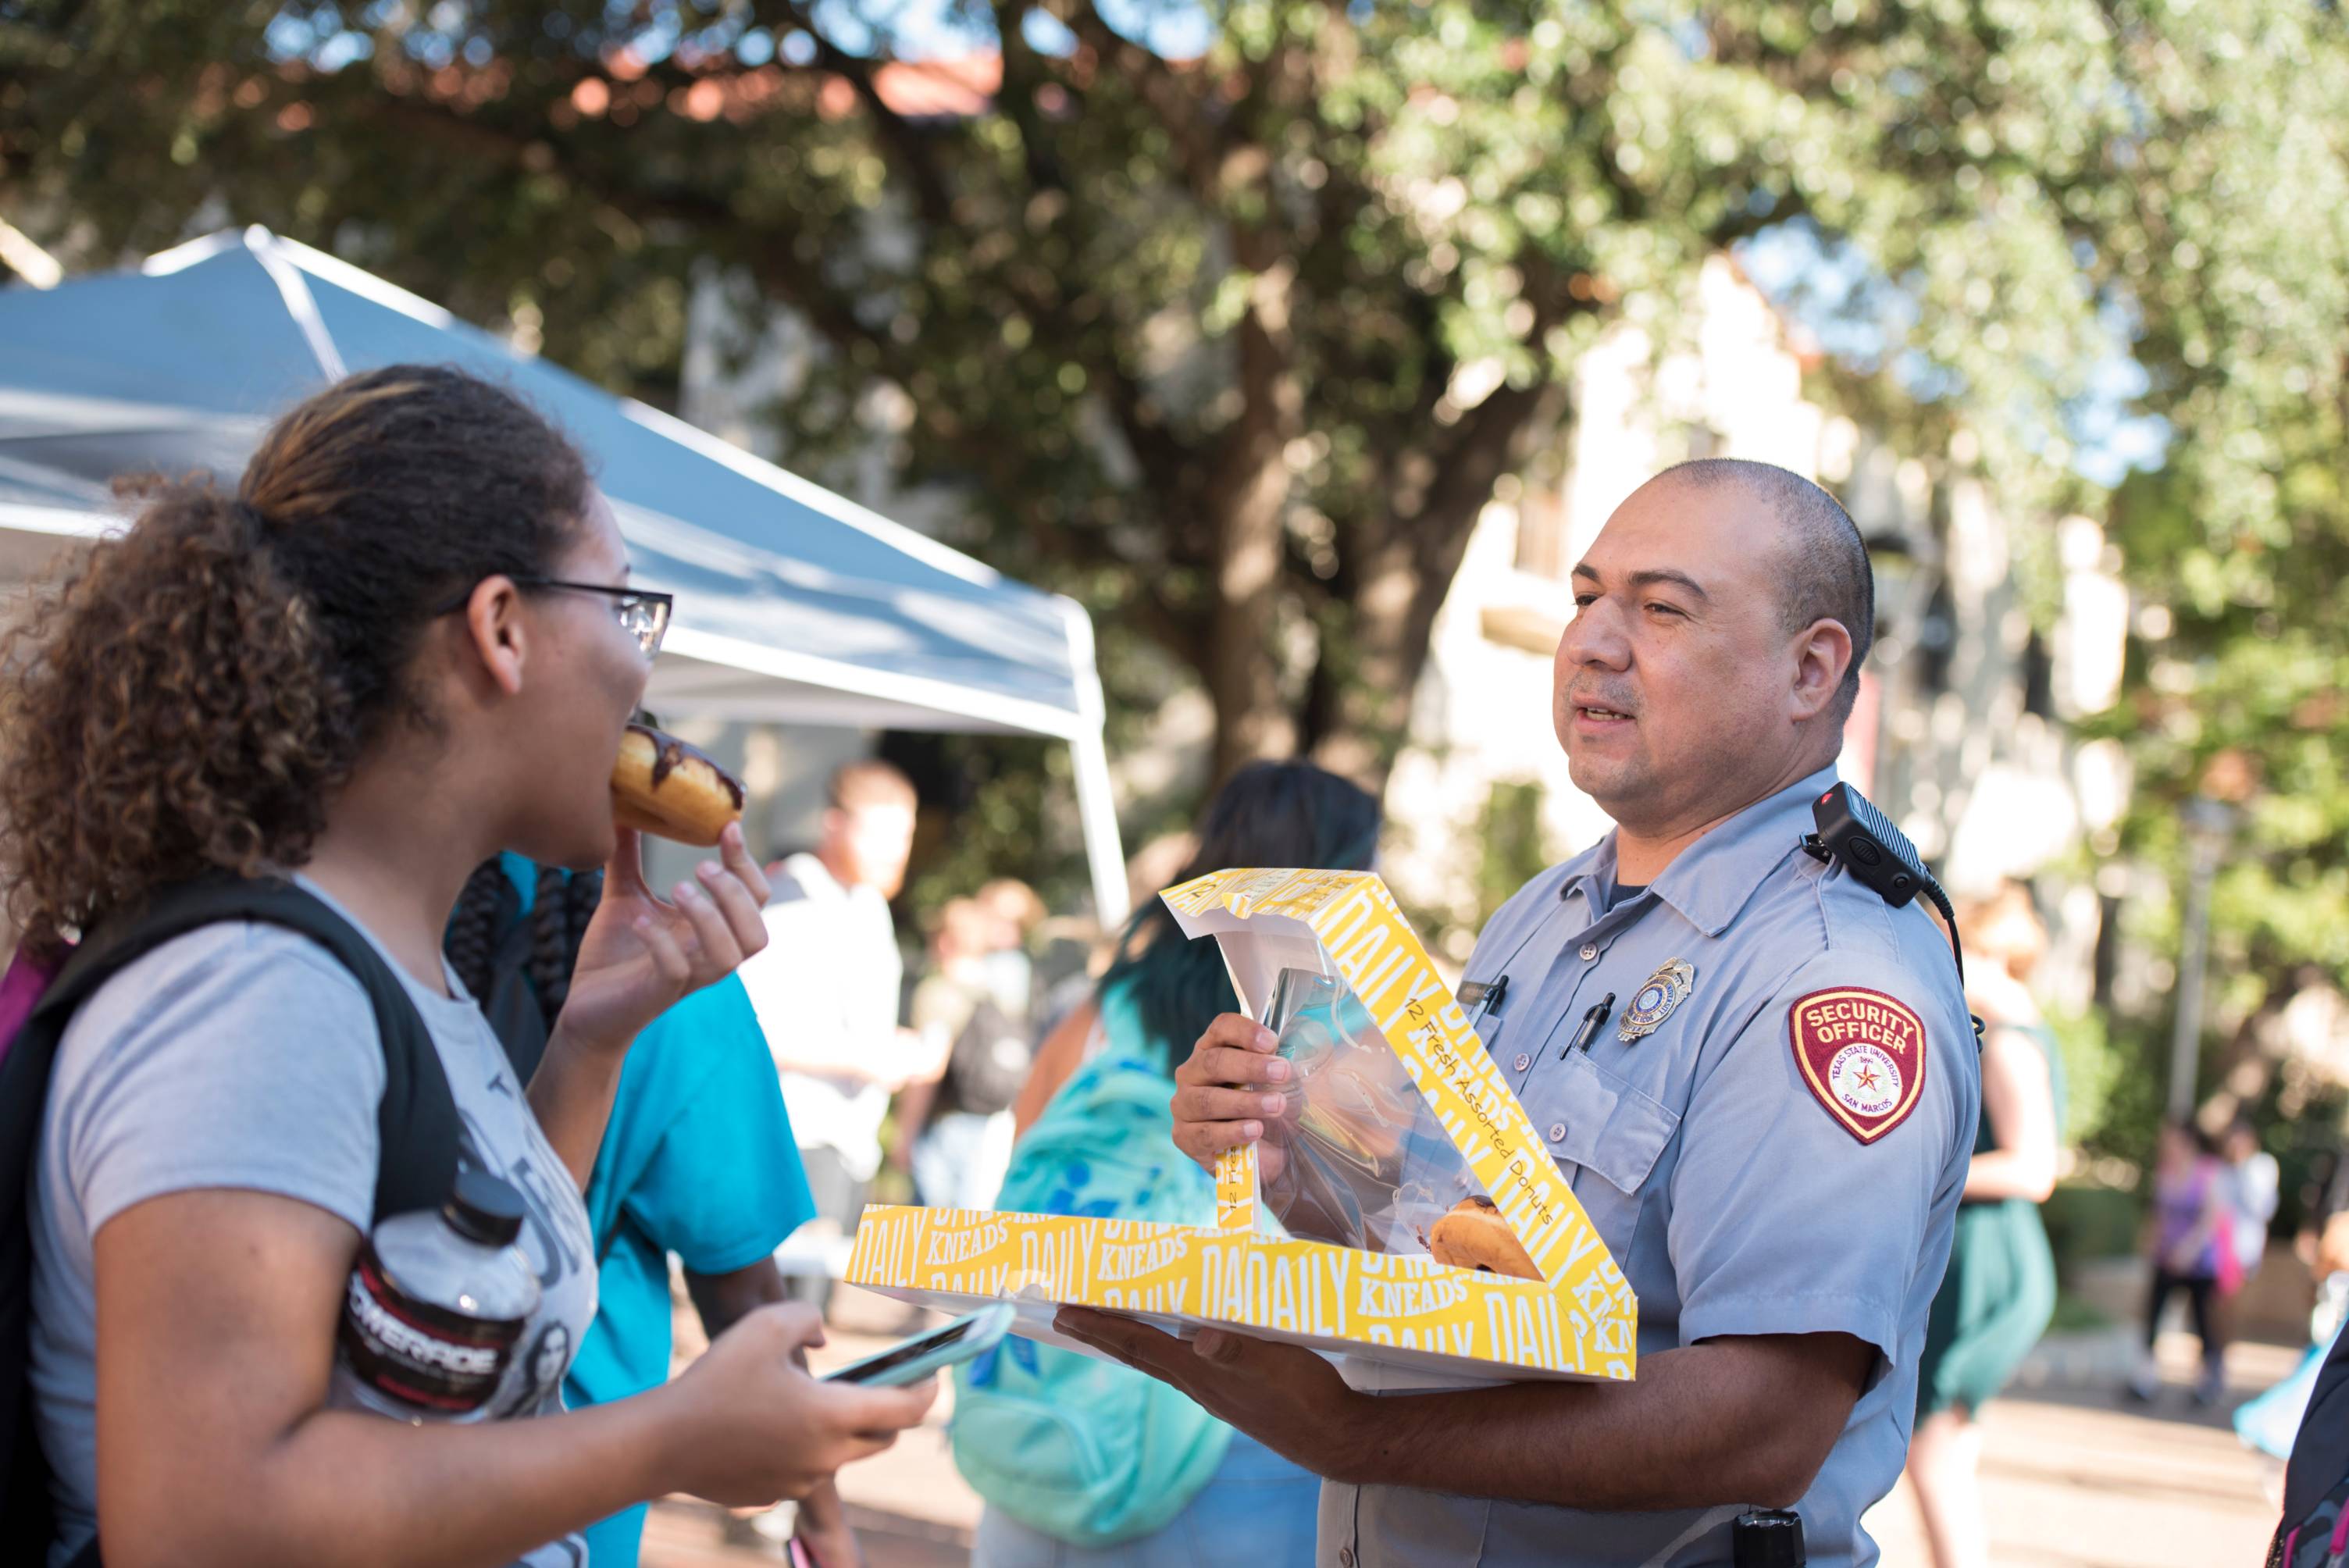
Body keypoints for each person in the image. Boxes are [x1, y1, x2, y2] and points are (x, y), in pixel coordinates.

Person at [5, 367, 934, 1566]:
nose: (644, 674)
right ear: (501, 629)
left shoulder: (392, 974)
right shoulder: (257, 997)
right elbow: (203, 1519)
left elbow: (436, 1328)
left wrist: (594, 1038)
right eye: (626, 609)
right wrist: (668, 1442)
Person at [1062, 458, 1979, 1566]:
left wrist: (1357, 1436)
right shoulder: (1544, 915)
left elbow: (1767, 1419)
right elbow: (1446, 1249)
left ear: (1811, 669)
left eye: (1660, 607)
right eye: (1587, 595)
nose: (1593, 639)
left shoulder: (1835, 977)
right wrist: (1291, 1152)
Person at [966, 761, 1376, 1567]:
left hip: (1063, 1388)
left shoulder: (1104, 1009)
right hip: (1235, 1424)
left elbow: (1024, 1159)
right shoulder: (1339, 1032)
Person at [447, 854, 857, 1568]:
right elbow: (746, 1298)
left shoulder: (374, 930)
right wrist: (825, 1528)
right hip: (569, 1504)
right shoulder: (675, 972)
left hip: (373, 1479)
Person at [738, 759, 942, 1305]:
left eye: (904, 836)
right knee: (777, 1325)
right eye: (880, 834)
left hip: (847, 1148)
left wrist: (894, 1048)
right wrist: (864, 1058)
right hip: (797, 1140)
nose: (894, 852)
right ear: (835, 825)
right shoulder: (790, 899)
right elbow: (750, 1032)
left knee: (809, 1325)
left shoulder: (868, 904)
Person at [1904, 881, 2064, 1568]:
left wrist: (1923, 1175)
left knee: (1930, 1450)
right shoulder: (2021, 1030)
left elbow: (2035, 1167)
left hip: (1986, 1257)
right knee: (1947, 1451)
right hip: (1991, 1253)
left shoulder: (2005, 1039)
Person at [2132, 1121, 2237, 1405]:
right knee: (2153, 1317)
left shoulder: (2208, 1173)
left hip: (2200, 1264)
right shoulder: (2165, 1174)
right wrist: (2151, 1242)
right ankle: (2146, 1377)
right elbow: (2158, 1214)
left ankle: (2207, 1379)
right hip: (2166, 1260)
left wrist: (2189, 1250)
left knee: (2202, 1322)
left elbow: (2213, 1218)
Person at [2226, 1117, 2281, 1289]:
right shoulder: (2224, 1169)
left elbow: (2265, 1208)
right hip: (2222, 1249)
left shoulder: (2263, 1166)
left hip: (2247, 1247)